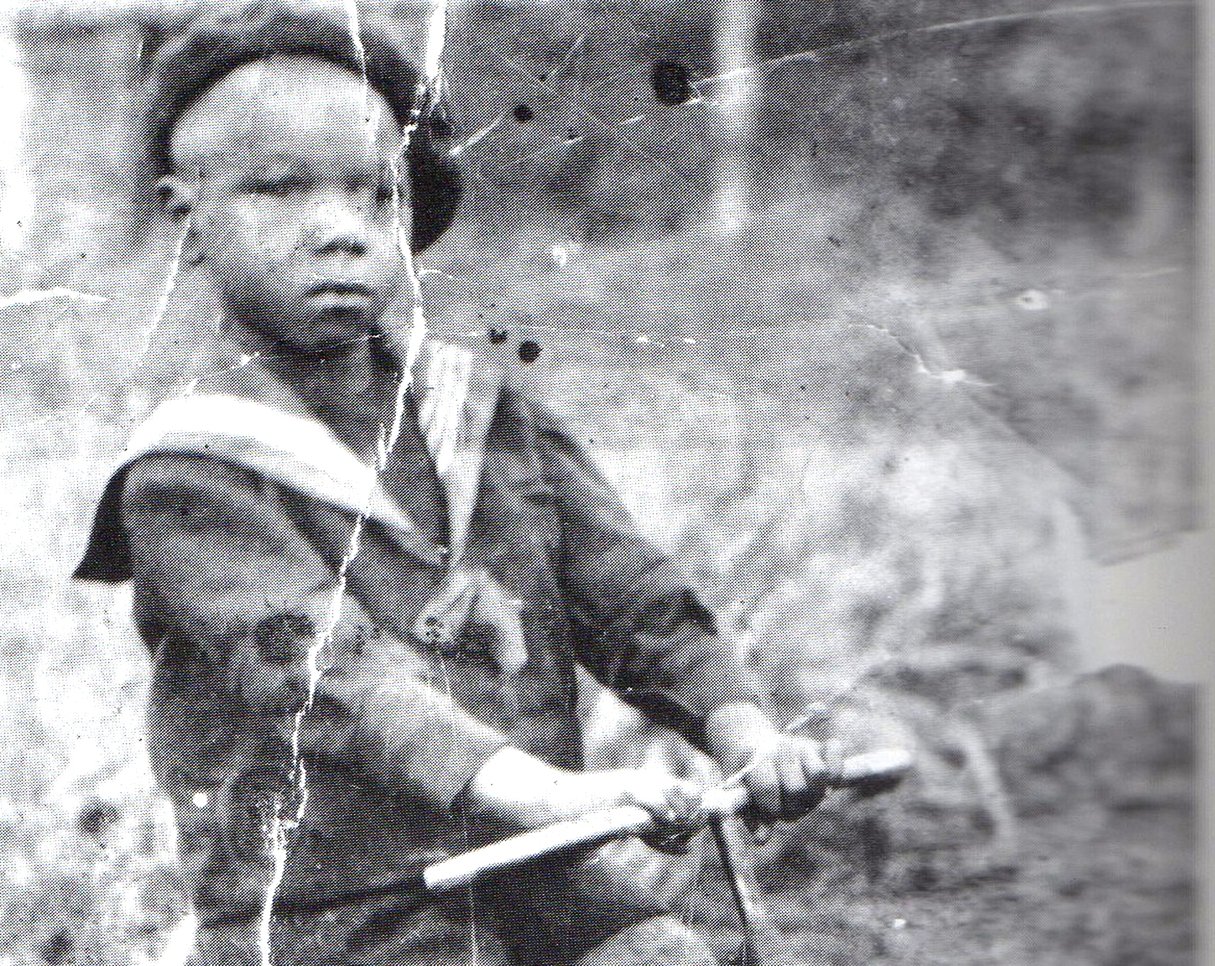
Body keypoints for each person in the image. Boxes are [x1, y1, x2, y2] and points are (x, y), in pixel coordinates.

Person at [75, 4, 834, 964]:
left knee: (665, 958)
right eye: (280, 190)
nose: (341, 232)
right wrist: (552, 789)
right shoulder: (190, 472)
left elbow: (626, 593)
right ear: (188, 220)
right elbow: (328, 674)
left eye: (377, 195)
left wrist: (743, 732)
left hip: (530, 858)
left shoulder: (479, 412)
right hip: (327, 897)